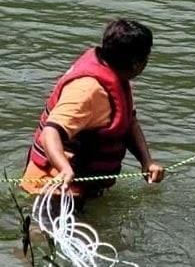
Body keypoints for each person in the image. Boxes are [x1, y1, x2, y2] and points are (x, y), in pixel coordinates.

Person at [21, 19, 165, 207]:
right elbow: (50, 133)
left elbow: (129, 123)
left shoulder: (118, 79)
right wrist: (63, 168)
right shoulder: (87, 91)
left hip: (83, 188)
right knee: (50, 236)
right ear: (137, 63)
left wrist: (147, 162)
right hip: (52, 188)